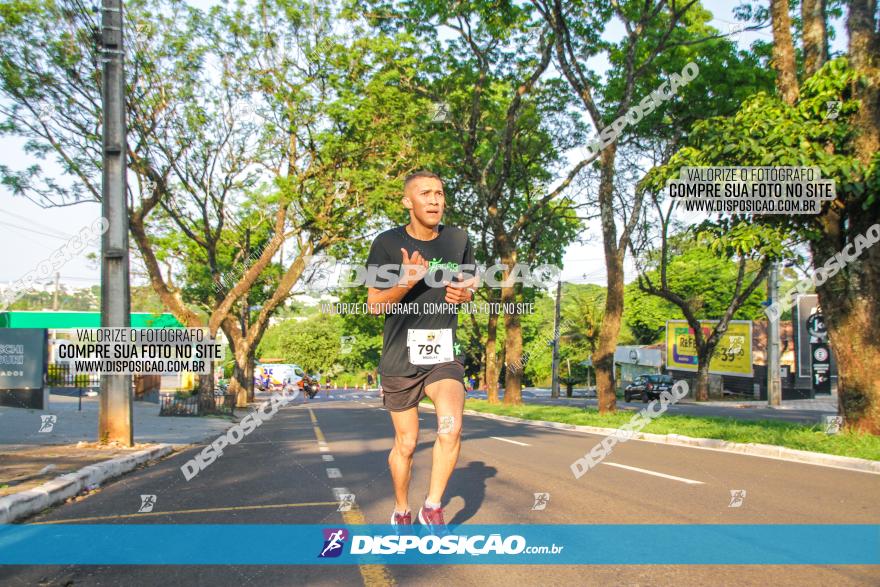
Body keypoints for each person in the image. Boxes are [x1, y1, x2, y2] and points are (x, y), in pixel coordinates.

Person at [366, 170, 477, 535]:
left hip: (444, 352)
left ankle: (432, 506)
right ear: (407, 201)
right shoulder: (386, 244)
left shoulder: (459, 240)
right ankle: (401, 508)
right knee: (408, 443)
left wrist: (465, 294)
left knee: (451, 426)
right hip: (400, 357)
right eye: (425, 193)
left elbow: (468, 285)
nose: (434, 200)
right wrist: (408, 279)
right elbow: (375, 306)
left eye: (440, 193)